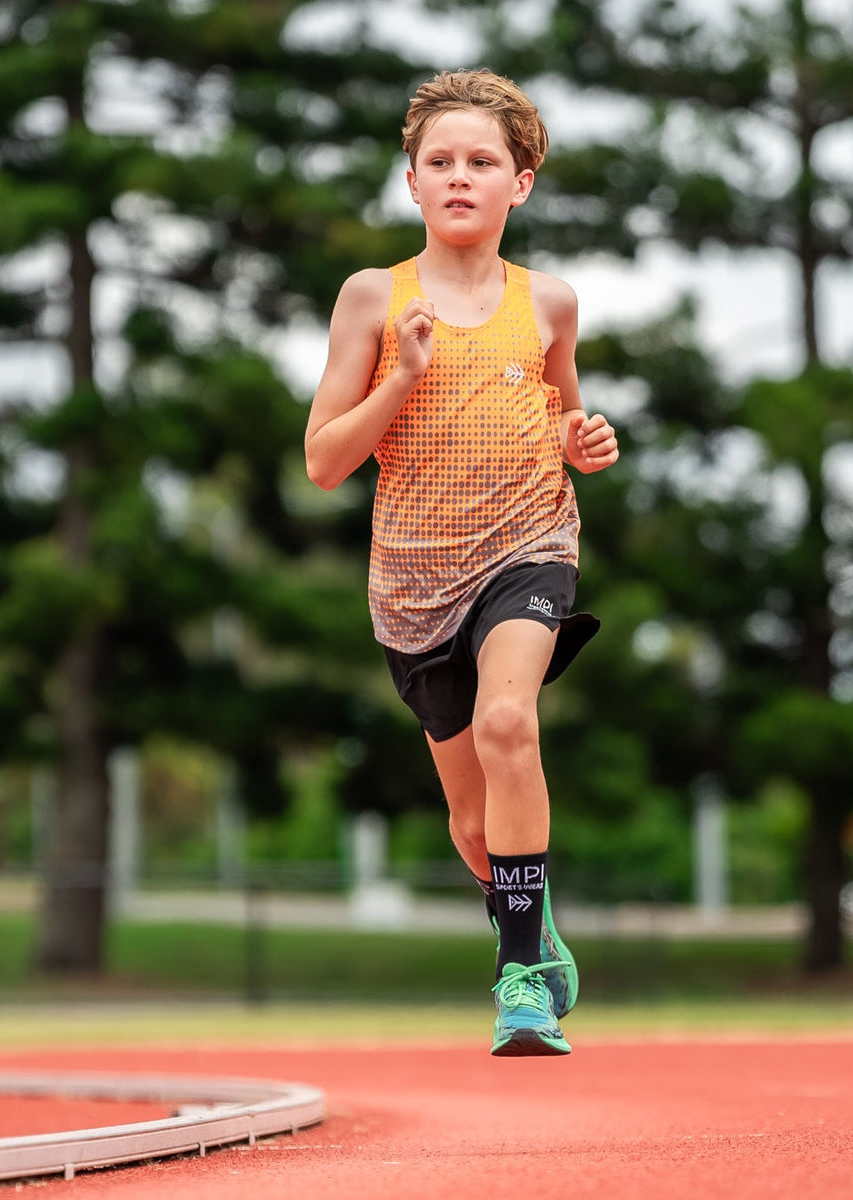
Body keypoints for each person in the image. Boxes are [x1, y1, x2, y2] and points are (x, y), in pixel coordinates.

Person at [304, 67, 619, 1056]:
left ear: (519, 183)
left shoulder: (552, 304)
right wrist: (402, 373)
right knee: (473, 826)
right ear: (411, 183)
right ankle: (530, 918)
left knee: (510, 721)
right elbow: (323, 462)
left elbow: (564, 407)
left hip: (530, 547)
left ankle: (520, 979)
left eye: (482, 161)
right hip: (413, 583)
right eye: (439, 161)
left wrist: (583, 441)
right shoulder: (372, 297)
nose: (459, 177)